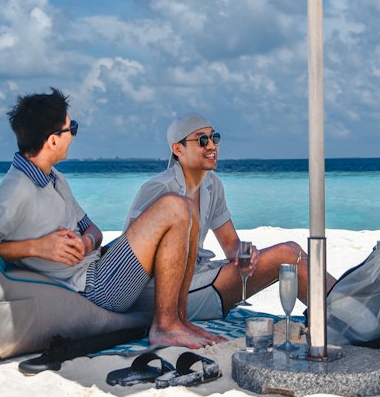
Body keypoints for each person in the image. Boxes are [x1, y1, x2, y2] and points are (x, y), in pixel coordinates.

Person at [0, 89, 211, 349]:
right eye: (71, 128)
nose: (74, 135)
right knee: (174, 206)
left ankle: (179, 319)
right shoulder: (14, 192)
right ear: (53, 140)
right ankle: (164, 327)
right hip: (93, 287)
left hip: (100, 264)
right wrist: (35, 248)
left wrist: (86, 242)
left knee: (188, 209)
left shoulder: (53, 178)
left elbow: (93, 230)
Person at [125, 112, 324, 322]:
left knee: (294, 249)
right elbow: (130, 257)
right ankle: (342, 310)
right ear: (178, 149)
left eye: (214, 137)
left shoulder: (212, 184)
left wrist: (247, 255)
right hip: (162, 295)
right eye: (202, 140)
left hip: (200, 276)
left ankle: (335, 306)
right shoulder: (159, 188)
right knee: (286, 255)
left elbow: (231, 246)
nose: (212, 146)